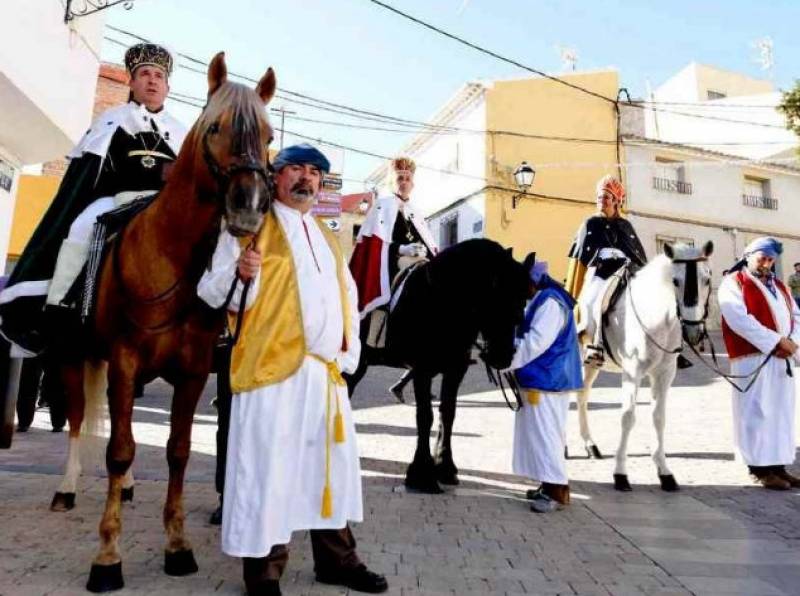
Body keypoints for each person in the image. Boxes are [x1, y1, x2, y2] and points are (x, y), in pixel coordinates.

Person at [197, 144, 387, 596]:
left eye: (315, 173)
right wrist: (241, 273)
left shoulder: (324, 234)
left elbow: (347, 296)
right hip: (271, 376)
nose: (306, 179)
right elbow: (210, 291)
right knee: (270, 471)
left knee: (329, 470)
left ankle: (337, 561)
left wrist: (348, 354)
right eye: (296, 170)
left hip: (324, 376)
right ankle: (264, 573)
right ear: (275, 176)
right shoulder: (249, 225)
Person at [0, 42, 186, 355]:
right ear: (132, 81)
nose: (152, 80)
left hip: (162, 207)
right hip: (117, 201)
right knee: (82, 227)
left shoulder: (181, 132)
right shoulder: (112, 119)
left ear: (167, 86)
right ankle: (57, 309)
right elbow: (89, 173)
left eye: (158, 76)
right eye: (144, 74)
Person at [348, 157, 438, 401]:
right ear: (392, 181)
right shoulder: (383, 206)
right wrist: (402, 249)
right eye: (400, 178)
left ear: (413, 183)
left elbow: (430, 245)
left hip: (417, 260)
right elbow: (375, 247)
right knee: (411, 278)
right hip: (390, 264)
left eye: (408, 178)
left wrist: (430, 256)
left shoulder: (415, 213)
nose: (405, 182)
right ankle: (380, 330)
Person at [718, 237, 800, 490]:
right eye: (761, 258)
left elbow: (796, 315)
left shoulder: (780, 286)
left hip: (781, 359)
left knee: (780, 412)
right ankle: (758, 468)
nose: (766, 263)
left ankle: (778, 466)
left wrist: (793, 342)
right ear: (748, 256)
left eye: (770, 259)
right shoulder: (734, 283)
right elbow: (738, 319)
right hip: (753, 357)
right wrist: (776, 341)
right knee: (756, 412)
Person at [506, 258, 583, 512]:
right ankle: (548, 485)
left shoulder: (550, 303)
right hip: (543, 379)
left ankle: (556, 492)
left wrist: (506, 359)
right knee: (543, 434)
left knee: (546, 434)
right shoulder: (544, 299)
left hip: (547, 379)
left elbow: (535, 343)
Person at [565, 175, 647, 368]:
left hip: (625, 272)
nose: (602, 201)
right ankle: (593, 344)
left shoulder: (626, 226)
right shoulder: (590, 224)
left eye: (606, 197)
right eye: (600, 197)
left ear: (616, 201)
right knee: (591, 301)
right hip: (600, 272)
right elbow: (580, 259)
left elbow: (637, 255)